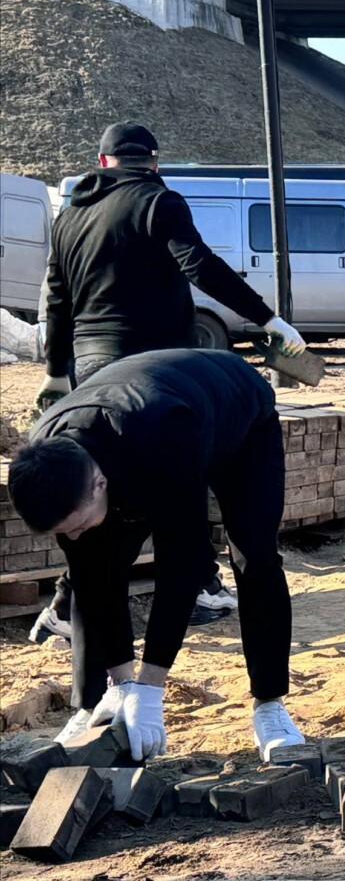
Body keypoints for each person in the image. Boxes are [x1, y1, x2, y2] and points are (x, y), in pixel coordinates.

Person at [30, 121, 306, 647]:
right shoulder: (160, 201)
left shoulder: (70, 215)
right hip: (155, 367)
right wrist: (267, 317)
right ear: (154, 162)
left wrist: (55, 371)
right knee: (184, 473)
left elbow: (58, 301)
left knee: (106, 489)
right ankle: (196, 586)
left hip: (93, 371)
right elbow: (198, 265)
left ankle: (72, 603)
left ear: (102, 160)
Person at [9, 348, 307, 761]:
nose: (72, 535)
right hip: (144, 416)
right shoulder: (48, 454)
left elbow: (183, 562)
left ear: (98, 483)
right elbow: (90, 576)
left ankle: (270, 706)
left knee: (253, 555)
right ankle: (94, 703)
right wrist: (121, 681)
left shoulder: (164, 436)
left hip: (235, 419)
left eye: (75, 522)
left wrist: (148, 688)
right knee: (91, 566)